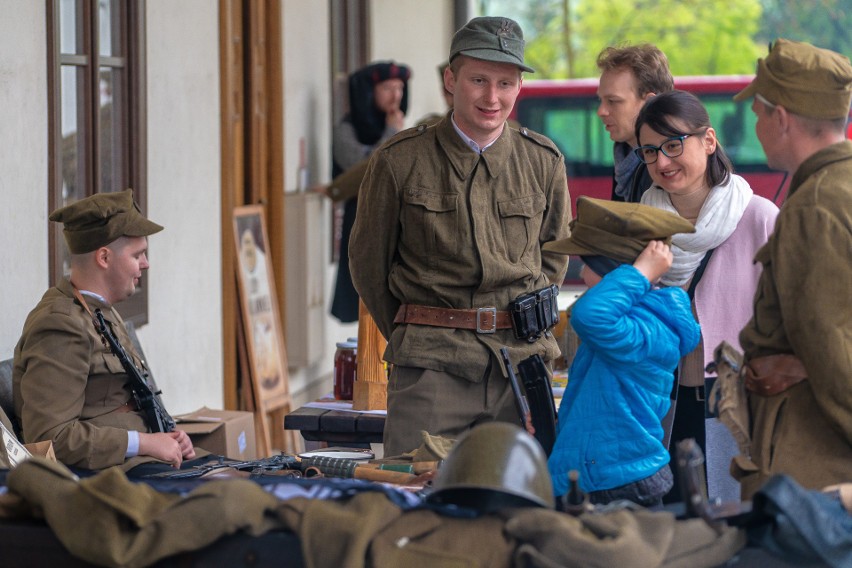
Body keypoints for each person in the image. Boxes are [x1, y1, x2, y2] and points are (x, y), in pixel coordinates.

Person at [349, 16, 571, 457]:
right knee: (415, 505)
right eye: (479, 80)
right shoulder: (399, 160)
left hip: (520, 369)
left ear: (519, 88)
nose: (493, 97)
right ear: (452, 80)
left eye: (506, 83)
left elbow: (554, 261)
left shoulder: (543, 161)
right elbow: (368, 265)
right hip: (431, 370)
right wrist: (418, 332)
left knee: (519, 504)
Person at [634, 90, 779, 503]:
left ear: (709, 141)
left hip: (741, 407)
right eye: (649, 151)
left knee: (737, 522)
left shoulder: (760, 219)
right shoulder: (641, 225)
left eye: (673, 144)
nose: (662, 162)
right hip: (661, 404)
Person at [733, 39, 852, 498]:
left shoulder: (814, 207)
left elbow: (833, 352)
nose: (757, 127)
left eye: (759, 114)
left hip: (813, 463)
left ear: (780, 118)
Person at [13, 190, 199, 474]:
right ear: (104, 257)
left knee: (264, 478)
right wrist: (144, 443)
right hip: (112, 478)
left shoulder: (100, 310)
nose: (146, 264)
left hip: (141, 462)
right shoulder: (59, 324)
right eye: (138, 255)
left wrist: (169, 435)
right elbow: (51, 440)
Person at [545, 197, 700, 505]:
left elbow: (591, 314)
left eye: (586, 263)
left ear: (611, 270)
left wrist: (641, 272)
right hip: (607, 471)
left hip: (615, 480)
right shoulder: (636, 317)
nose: (581, 272)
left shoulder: (648, 328)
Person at [330, 60, 411, 323]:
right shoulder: (346, 128)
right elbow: (363, 167)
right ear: (370, 91)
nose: (395, 95)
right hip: (361, 214)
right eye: (388, 87)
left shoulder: (399, 123)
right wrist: (391, 132)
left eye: (399, 88)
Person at [596, 44, 673, 203]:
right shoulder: (624, 160)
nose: (601, 111)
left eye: (613, 101)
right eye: (601, 100)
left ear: (650, 103)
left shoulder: (671, 166)